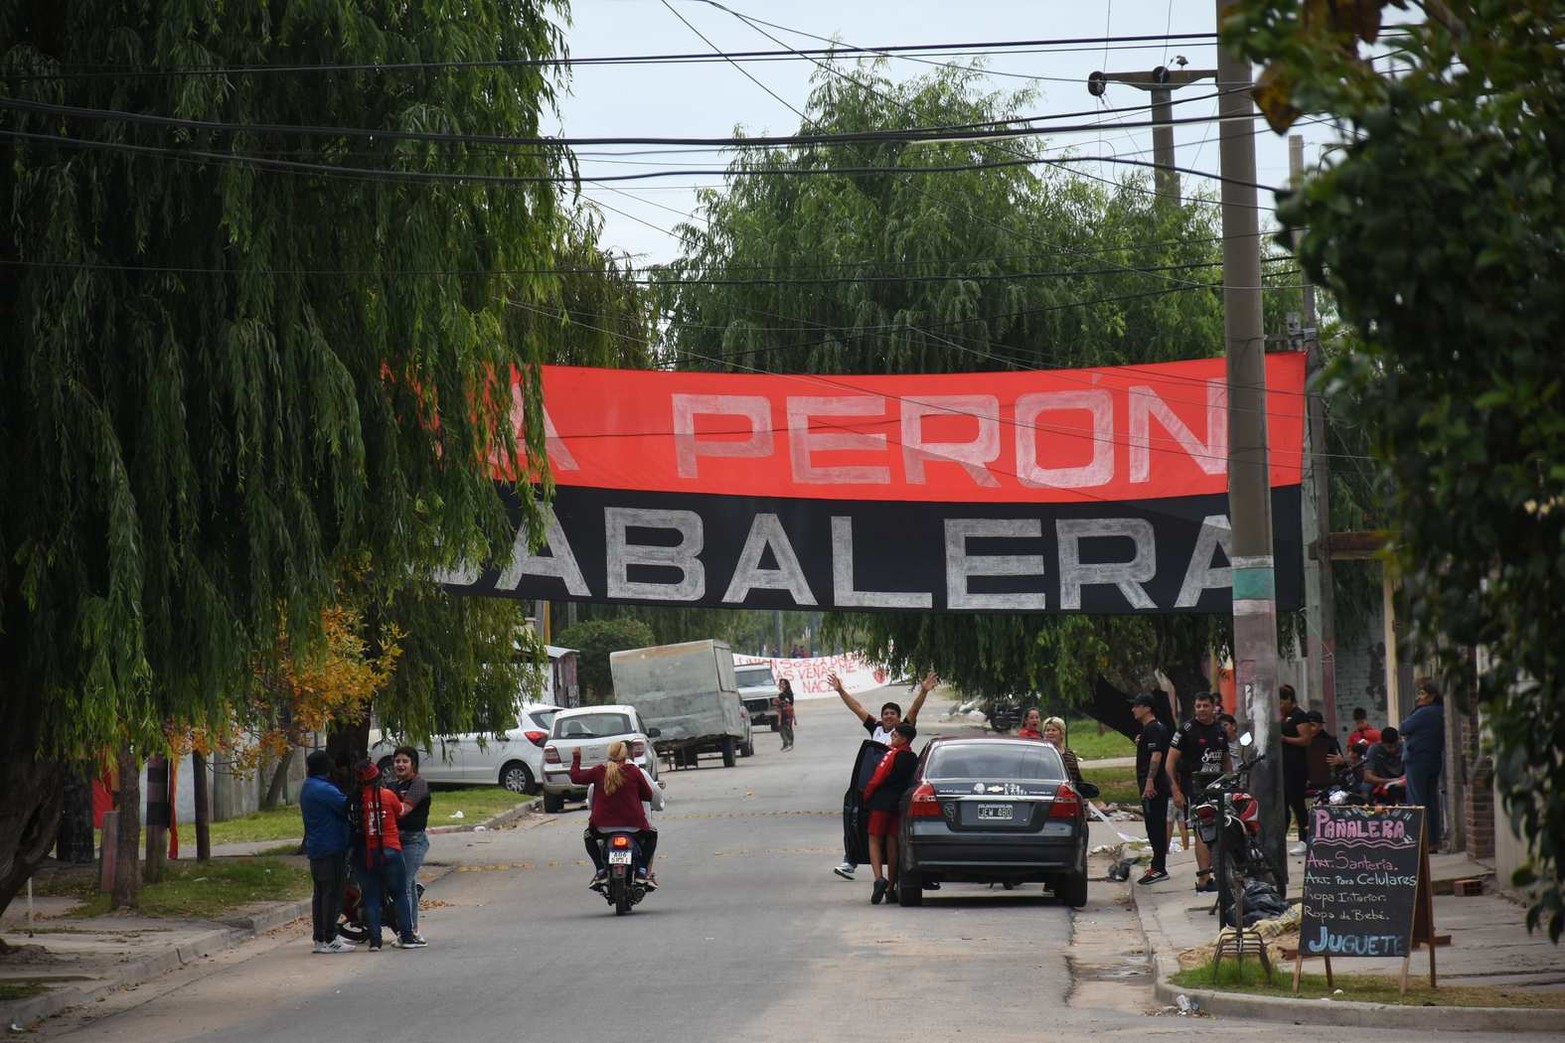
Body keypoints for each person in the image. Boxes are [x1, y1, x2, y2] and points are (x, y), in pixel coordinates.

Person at [828, 670, 938, 880]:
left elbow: (914, 710)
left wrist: (923, 691)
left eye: (892, 714)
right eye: (885, 713)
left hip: (891, 790)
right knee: (858, 821)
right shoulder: (876, 728)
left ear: (899, 719)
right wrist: (841, 690)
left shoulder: (903, 732)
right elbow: (857, 708)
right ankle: (850, 859)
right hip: (872, 787)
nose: (888, 716)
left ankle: (894, 879)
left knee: (890, 837)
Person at [350, 759, 422, 951]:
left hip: (366, 853)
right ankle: (407, 936)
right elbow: (400, 812)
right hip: (391, 850)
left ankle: (375, 941)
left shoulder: (356, 800)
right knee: (399, 894)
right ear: (378, 778)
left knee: (371, 897)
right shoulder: (387, 795)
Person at [569, 740, 659, 891]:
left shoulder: (599, 771)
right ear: (625, 755)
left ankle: (600, 870)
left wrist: (576, 757)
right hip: (634, 826)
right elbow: (648, 795)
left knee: (588, 836)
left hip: (603, 827)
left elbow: (576, 777)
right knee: (652, 835)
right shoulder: (634, 771)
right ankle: (642, 871)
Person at [1166, 692, 1230, 893]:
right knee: (1202, 832)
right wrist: (1175, 790)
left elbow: (1226, 760)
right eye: (1198, 706)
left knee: (1225, 828)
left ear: (1213, 708)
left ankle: (1225, 871)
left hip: (1219, 789)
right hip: (1194, 790)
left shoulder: (1221, 729)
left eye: (1205, 705)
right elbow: (1169, 764)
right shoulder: (1186, 730)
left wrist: (1231, 780)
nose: (1201, 709)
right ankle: (1204, 878)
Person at [861, 722, 919, 904]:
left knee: (874, 839)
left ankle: (879, 879)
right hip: (899, 805)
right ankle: (891, 887)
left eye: (895, 735)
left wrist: (866, 796)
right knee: (892, 843)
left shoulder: (891, 755)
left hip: (881, 803)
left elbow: (876, 779)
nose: (892, 737)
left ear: (904, 739)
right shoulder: (913, 758)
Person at [301, 751, 353, 954]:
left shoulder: (309, 786)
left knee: (321, 893)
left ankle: (321, 936)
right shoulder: (324, 789)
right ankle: (329, 937)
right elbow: (346, 805)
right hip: (330, 846)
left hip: (318, 846)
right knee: (332, 892)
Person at [1131, 693, 1172, 885]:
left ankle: (1159, 868)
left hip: (1153, 787)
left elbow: (1156, 757)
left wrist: (1149, 781)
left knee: (1155, 826)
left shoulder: (1154, 729)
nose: (1133, 709)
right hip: (1153, 784)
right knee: (1153, 825)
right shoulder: (1152, 730)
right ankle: (1157, 864)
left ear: (1147, 708)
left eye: (1137, 706)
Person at [1400, 678, 1446, 848]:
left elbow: (1403, 728)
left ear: (1432, 696)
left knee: (1417, 800)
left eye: (1422, 694)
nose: (1418, 698)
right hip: (1433, 759)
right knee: (1431, 800)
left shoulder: (1423, 712)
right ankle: (1433, 840)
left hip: (1417, 759)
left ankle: (1423, 841)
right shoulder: (1440, 711)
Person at [391, 746, 430, 945]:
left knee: (404, 886)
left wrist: (387, 802)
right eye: (397, 761)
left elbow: (403, 811)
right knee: (410, 886)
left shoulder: (419, 784)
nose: (400, 765)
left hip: (413, 841)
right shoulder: (392, 786)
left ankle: (409, 932)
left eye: (405, 761)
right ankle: (412, 929)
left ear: (413, 764)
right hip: (396, 841)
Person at [1278, 685, 1316, 855]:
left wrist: (1285, 739)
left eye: (1280, 702)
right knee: (1283, 803)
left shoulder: (1299, 716)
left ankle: (1305, 838)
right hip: (1282, 766)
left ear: (1287, 699)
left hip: (1296, 766)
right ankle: (1280, 837)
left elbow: (1306, 739)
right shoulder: (1283, 717)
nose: (1279, 706)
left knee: (1297, 803)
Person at [1362, 726, 1407, 803]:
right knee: (1365, 788)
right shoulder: (1374, 749)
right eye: (1389, 747)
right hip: (1381, 781)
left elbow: (1412, 770)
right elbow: (1367, 776)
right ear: (1382, 743)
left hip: (1402, 781)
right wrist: (1390, 781)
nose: (1393, 749)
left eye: (1395, 746)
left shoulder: (1404, 747)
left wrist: (1404, 778)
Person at [1303, 709, 1342, 793]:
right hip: (1306, 786)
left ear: (1320, 726)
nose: (1309, 729)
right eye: (1307, 725)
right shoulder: (1301, 741)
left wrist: (1340, 762)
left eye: (1312, 725)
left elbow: (1340, 764)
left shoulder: (1329, 741)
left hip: (1327, 786)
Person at [1040, 717, 1084, 787]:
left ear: (1062, 733)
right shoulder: (1040, 754)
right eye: (1047, 730)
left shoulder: (1070, 754)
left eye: (1053, 730)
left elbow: (1078, 778)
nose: (1050, 733)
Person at [776, 678, 797, 751]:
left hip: (787, 712)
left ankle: (790, 743)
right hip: (782, 712)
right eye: (781, 684)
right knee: (782, 729)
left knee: (788, 728)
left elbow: (790, 703)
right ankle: (785, 743)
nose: (782, 685)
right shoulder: (780, 692)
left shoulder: (788, 693)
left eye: (783, 684)